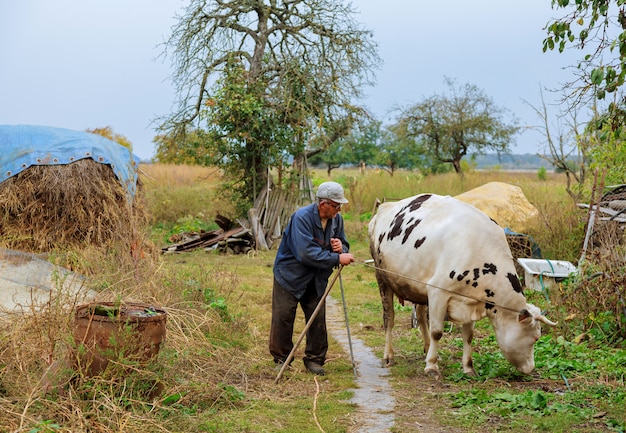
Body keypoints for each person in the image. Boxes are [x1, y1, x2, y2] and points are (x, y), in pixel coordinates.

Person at [269, 181, 355, 376]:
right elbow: (305, 253)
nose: (338, 209)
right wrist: (336, 257)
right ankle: (282, 359)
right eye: (335, 205)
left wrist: (341, 248)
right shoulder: (301, 218)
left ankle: (315, 360)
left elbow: (344, 244)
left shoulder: (337, 220)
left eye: (340, 205)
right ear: (323, 204)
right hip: (290, 275)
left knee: (317, 317)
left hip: (316, 277)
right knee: (283, 317)